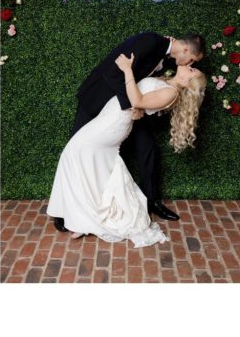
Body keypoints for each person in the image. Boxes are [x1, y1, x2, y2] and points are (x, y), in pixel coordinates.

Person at [46, 51, 206, 246]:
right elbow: (140, 100)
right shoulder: (168, 83)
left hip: (114, 123)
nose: (189, 65)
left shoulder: (171, 93)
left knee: (74, 153)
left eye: (192, 69)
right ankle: (84, 216)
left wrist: (127, 69)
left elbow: (137, 101)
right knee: (89, 163)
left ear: (189, 82)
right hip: (111, 116)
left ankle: (85, 218)